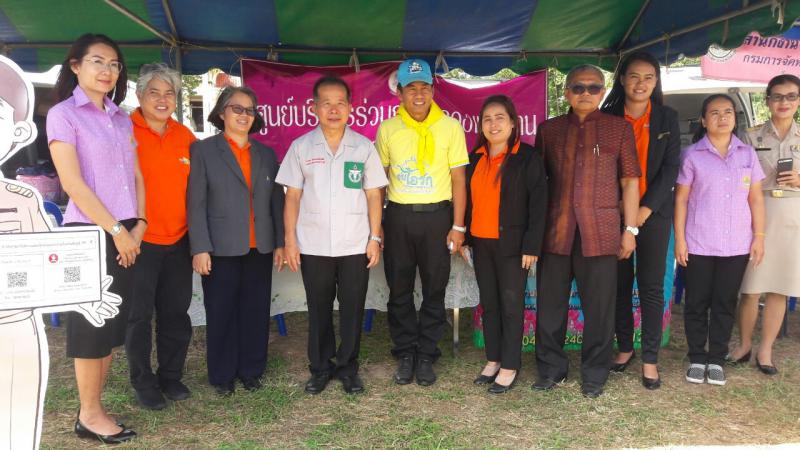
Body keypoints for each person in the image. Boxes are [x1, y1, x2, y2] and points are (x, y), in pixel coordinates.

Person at [47, 33, 143, 443]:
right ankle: (88, 414)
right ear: (75, 66)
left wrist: (140, 224)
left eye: (114, 64)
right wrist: (117, 230)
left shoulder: (121, 118)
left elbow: (136, 175)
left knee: (110, 325)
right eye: (98, 61)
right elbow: (73, 183)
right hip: (90, 233)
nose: (107, 71)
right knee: (90, 326)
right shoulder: (64, 115)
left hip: (126, 230)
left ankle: (95, 408)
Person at [533, 64, 641, 399]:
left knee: (600, 309)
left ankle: (595, 373)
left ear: (603, 92)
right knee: (550, 306)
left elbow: (630, 182)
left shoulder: (618, 129)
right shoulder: (549, 130)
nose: (586, 93)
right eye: (578, 87)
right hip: (557, 230)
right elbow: (537, 185)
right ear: (567, 92)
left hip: (602, 232)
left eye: (593, 88)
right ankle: (551, 369)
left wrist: (630, 229)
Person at [277, 75, 387, 395]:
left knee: (352, 308)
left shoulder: (364, 147)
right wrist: (290, 240)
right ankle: (320, 368)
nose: (334, 110)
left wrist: (375, 238)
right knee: (319, 309)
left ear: (350, 108)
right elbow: (292, 197)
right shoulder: (301, 147)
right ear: (314, 108)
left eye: (340, 103)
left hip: (355, 243)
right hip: (313, 244)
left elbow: (374, 195)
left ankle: (348, 367)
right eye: (326, 103)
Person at [187, 86, 285, 396]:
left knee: (255, 310)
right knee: (222, 311)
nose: (244, 115)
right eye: (237, 108)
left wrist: (280, 242)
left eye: (250, 110)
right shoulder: (203, 150)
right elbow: (196, 203)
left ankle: (251, 370)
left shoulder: (266, 154)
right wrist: (200, 247)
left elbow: (276, 202)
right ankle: (222, 375)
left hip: (260, 245)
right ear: (222, 113)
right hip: (220, 247)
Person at [376, 58, 469, 386]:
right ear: (399, 92)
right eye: (411, 88)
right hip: (399, 217)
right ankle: (405, 351)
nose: (418, 94)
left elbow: (459, 180)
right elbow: (379, 182)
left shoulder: (450, 127)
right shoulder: (388, 129)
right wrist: (377, 225)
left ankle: (427, 352)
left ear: (432, 90)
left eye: (424, 87)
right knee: (399, 287)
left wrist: (458, 226)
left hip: (437, 218)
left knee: (434, 287)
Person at [601, 52, 681, 390]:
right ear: (622, 79)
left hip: (654, 214)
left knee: (650, 287)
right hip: (615, 212)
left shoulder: (666, 117)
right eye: (634, 76)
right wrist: (620, 208)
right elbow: (601, 166)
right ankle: (624, 347)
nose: (641, 83)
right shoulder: (607, 116)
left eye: (649, 77)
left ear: (656, 82)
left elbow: (671, 169)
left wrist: (643, 211)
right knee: (618, 284)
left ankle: (650, 359)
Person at [675, 94, 765, 386]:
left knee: (725, 302)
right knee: (696, 302)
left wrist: (759, 236)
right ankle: (697, 357)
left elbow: (756, 199)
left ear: (735, 119)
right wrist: (680, 239)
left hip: (736, 244)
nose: (722, 117)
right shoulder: (691, 155)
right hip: (698, 242)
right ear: (703, 120)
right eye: (714, 113)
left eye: (728, 112)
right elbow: (681, 200)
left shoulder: (747, 155)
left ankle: (716, 359)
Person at [461, 95, 547, 394]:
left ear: (512, 123)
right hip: (481, 243)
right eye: (487, 119)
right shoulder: (474, 158)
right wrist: (465, 238)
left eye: (500, 117)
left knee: (511, 306)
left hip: (514, 247)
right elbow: (467, 202)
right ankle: (494, 358)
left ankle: (510, 365)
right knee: (490, 305)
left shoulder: (527, 157)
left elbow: (539, 204)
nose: (493, 124)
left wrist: (532, 246)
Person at [125, 63, 197, 410]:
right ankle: (143, 381)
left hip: (179, 241)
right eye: (154, 92)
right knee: (138, 316)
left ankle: (171, 375)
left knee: (175, 313)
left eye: (169, 93)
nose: (162, 99)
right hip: (139, 241)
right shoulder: (123, 130)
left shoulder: (185, 136)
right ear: (140, 95)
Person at [729, 75, 800, 375]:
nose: (784, 102)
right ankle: (744, 344)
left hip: (792, 216)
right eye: (778, 96)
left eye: (791, 96)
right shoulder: (750, 136)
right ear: (767, 100)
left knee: (779, 288)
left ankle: (766, 349)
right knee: (750, 287)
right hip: (757, 213)